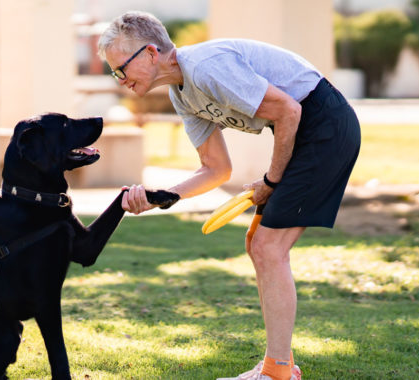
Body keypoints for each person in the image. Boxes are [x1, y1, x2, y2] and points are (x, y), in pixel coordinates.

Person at [98, 10, 360, 380]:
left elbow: (289, 110)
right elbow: (215, 168)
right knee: (259, 244)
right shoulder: (181, 93)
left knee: (270, 248)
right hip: (304, 130)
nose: (120, 80)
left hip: (325, 125)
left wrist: (270, 180)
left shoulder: (205, 67)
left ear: (151, 53)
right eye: (115, 73)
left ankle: (277, 372)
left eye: (121, 68)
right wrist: (163, 195)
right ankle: (276, 366)